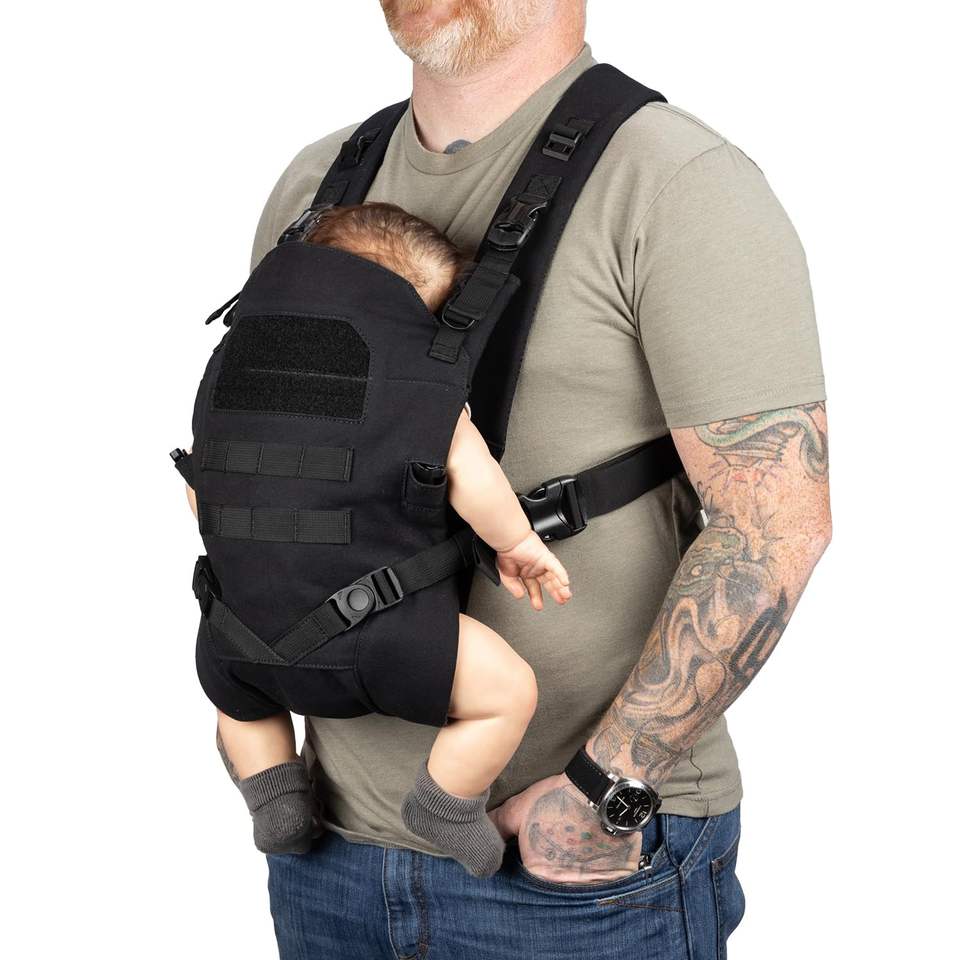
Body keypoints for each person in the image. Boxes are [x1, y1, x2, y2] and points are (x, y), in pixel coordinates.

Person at [252, 2, 832, 957]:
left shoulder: (677, 182)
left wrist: (603, 795)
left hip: (576, 876)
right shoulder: (316, 186)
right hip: (328, 850)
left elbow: (774, 524)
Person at [187, 201, 572, 878]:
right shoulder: (414, 380)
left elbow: (202, 490)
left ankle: (275, 800)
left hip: (238, 633)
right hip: (379, 636)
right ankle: (446, 804)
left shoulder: (233, 371)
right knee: (506, 693)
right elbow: (471, 473)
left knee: (240, 707)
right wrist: (517, 543)